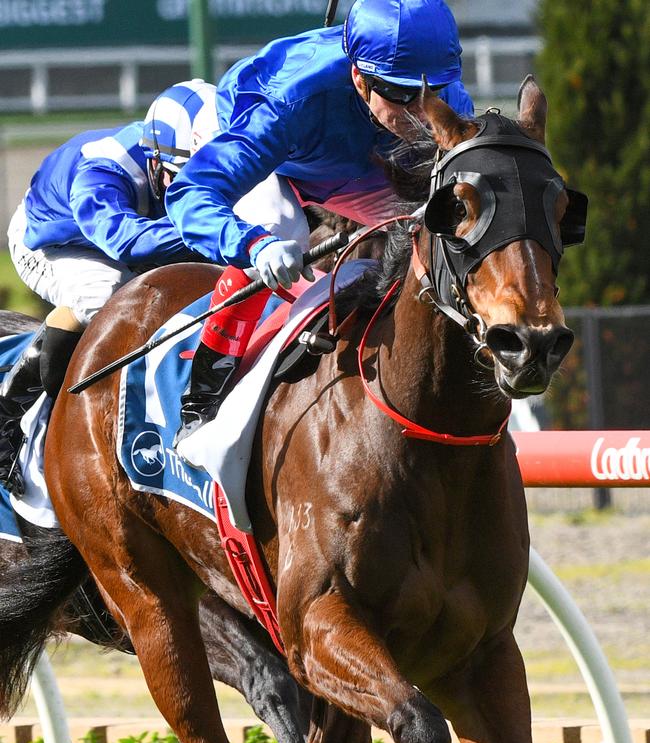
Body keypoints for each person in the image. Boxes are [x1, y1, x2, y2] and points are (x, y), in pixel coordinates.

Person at [165, 0, 475, 446]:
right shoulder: (292, 99)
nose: (422, 112)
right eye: (401, 94)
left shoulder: (447, 100)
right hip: (271, 156)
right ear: (358, 78)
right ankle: (203, 395)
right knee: (280, 225)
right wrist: (252, 244)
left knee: (439, 223)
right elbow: (191, 193)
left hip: (354, 164)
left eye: (433, 91)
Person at [0, 78, 219, 493]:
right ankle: (9, 410)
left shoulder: (179, 154)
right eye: (183, 181)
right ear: (156, 162)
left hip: (125, 233)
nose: (193, 195)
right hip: (55, 241)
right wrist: (213, 233)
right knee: (107, 293)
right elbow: (124, 242)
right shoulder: (104, 168)